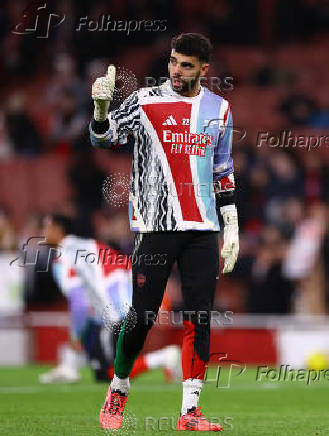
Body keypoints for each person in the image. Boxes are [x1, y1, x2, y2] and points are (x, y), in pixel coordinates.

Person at [90, 33, 239, 431]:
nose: (176, 70)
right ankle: (118, 390)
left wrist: (232, 224)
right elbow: (103, 137)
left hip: (203, 229)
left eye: (186, 64)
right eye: (173, 61)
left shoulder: (219, 109)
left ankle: (190, 412)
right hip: (156, 227)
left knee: (198, 317)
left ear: (204, 70)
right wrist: (102, 108)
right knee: (142, 316)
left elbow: (223, 171)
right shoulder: (144, 101)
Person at [39, 214, 181, 384]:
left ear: (58, 230)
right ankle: (69, 367)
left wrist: (75, 336)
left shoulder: (64, 256)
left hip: (120, 310)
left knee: (109, 372)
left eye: (46, 227)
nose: (43, 232)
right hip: (141, 299)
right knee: (102, 361)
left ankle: (165, 357)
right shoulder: (90, 245)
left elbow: (79, 303)